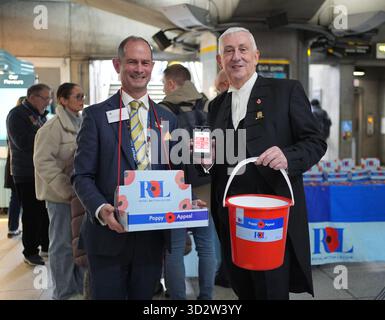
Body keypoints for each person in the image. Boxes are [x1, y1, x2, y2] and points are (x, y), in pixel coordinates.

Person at [203, 27, 327, 299]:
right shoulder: (216, 106)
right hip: (231, 220)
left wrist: (288, 157)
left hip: (271, 221)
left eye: (243, 49)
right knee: (242, 288)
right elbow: (223, 158)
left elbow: (315, 142)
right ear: (220, 60)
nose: (236, 57)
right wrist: (207, 160)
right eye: (228, 51)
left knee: (271, 291)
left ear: (256, 56)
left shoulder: (286, 91)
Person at [71, 36, 178, 300]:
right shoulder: (95, 116)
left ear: (152, 67)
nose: (139, 69)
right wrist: (100, 208)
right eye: (132, 62)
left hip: (151, 238)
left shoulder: (166, 118)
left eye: (145, 62)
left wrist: (189, 200)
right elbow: (81, 175)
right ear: (118, 65)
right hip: (107, 235)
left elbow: (173, 172)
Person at [160, 64, 216, 300]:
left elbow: (161, 151)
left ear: (171, 84)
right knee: (206, 246)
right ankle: (206, 297)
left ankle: (178, 299)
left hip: (175, 186)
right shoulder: (209, 104)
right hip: (206, 184)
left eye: (164, 84)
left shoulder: (163, 109)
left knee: (173, 249)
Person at [34, 83, 85, 299]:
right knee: (62, 245)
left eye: (83, 96)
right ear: (63, 100)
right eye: (77, 96)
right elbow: (42, 161)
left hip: (79, 197)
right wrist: (65, 189)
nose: (82, 100)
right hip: (60, 197)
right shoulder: (51, 128)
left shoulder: (83, 123)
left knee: (79, 245)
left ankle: (79, 288)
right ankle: (64, 292)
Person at [6, 84, 51, 266]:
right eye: (45, 98)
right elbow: (23, 142)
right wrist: (47, 139)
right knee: (31, 213)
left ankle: (46, 246)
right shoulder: (17, 115)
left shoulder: (40, 116)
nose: (48, 102)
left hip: (40, 172)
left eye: (50, 98)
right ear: (33, 97)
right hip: (25, 173)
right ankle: (30, 251)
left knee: (43, 211)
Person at [4, 96, 25, 239]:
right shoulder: (16, 119)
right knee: (18, 199)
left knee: (15, 198)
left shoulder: (13, 121)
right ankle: (13, 228)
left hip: (13, 167)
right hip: (18, 168)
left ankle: (12, 228)